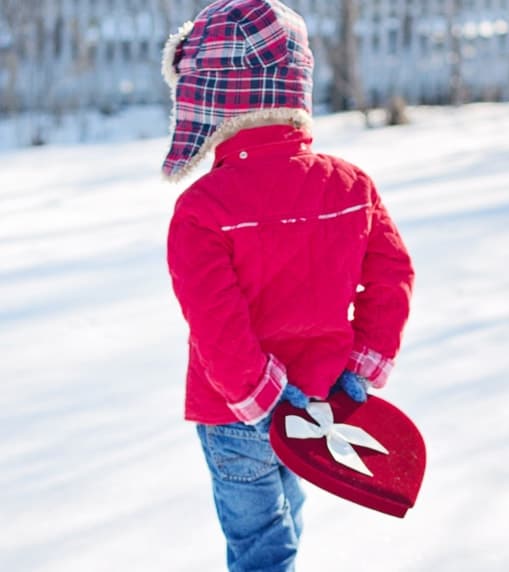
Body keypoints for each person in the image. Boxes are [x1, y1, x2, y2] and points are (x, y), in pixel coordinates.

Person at [161, 2, 414, 570]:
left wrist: (261, 395)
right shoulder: (350, 186)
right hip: (317, 402)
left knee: (261, 545)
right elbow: (392, 277)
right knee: (284, 524)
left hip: (233, 412)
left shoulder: (202, 209)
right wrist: (360, 370)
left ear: (212, 99)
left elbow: (215, 322)